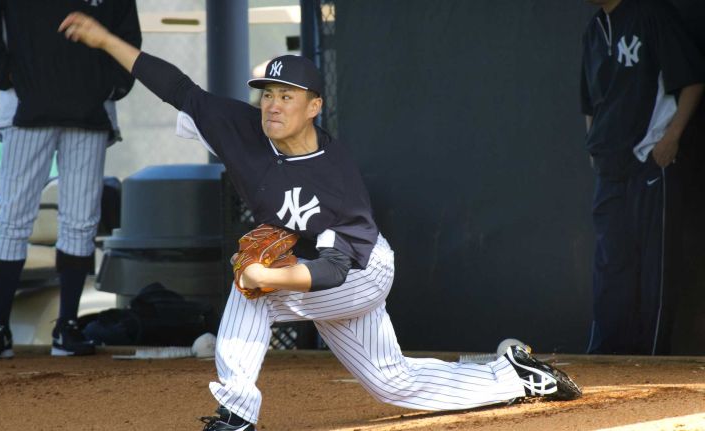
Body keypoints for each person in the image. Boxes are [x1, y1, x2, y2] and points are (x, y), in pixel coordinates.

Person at [59, 11, 581, 430]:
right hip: (314, 268)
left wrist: (269, 278)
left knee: (250, 290)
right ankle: (514, 377)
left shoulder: (335, 179)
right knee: (392, 384)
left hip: (360, 274)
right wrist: (106, 39)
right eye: (267, 94)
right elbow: (177, 87)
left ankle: (237, 413)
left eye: (287, 96)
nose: (272, 105)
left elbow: (334, 269)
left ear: (314, 107)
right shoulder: (241, 128)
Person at [0, 0, 141, 359]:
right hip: (24, 109)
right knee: (13, 216)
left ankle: (67, 326)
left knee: (81, 220)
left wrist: (107, 87)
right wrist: (9, 76)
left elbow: (127, 37)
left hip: (90, 111)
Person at [581, 0, 704, 354]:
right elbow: (590, 103)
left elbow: (693, 80)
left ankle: (651, 361)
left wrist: (671, 138)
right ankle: (605, 360)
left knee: (654, 272)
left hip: (648, 164)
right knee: (610, 271)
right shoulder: (593, 30)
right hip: (609, 170)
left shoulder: (650, 13)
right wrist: (595, 148)